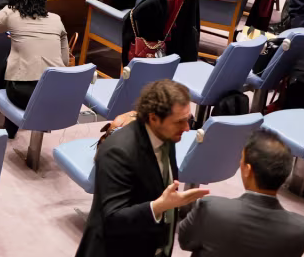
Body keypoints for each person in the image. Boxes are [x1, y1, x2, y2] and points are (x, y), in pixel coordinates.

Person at [74, 79, 208, 257]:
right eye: (179, 122)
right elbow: (113, 219)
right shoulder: (118, 152)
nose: (186, 128)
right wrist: (158, 207)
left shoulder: (168, 135)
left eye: (187, 120)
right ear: (153, 118)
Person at [177, 129, 304, 256]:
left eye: (241, 159)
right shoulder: (301, 229)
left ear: (248, 170)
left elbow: (185, 241)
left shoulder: (210, 208)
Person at [0, 0, 68, 138]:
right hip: (57, 93)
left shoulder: (12, 14)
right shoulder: (56, 19)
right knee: (17, 59)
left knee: (14, 66)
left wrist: (9, 7)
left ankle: (8, 130)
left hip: (24, 94)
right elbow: (64, 61)